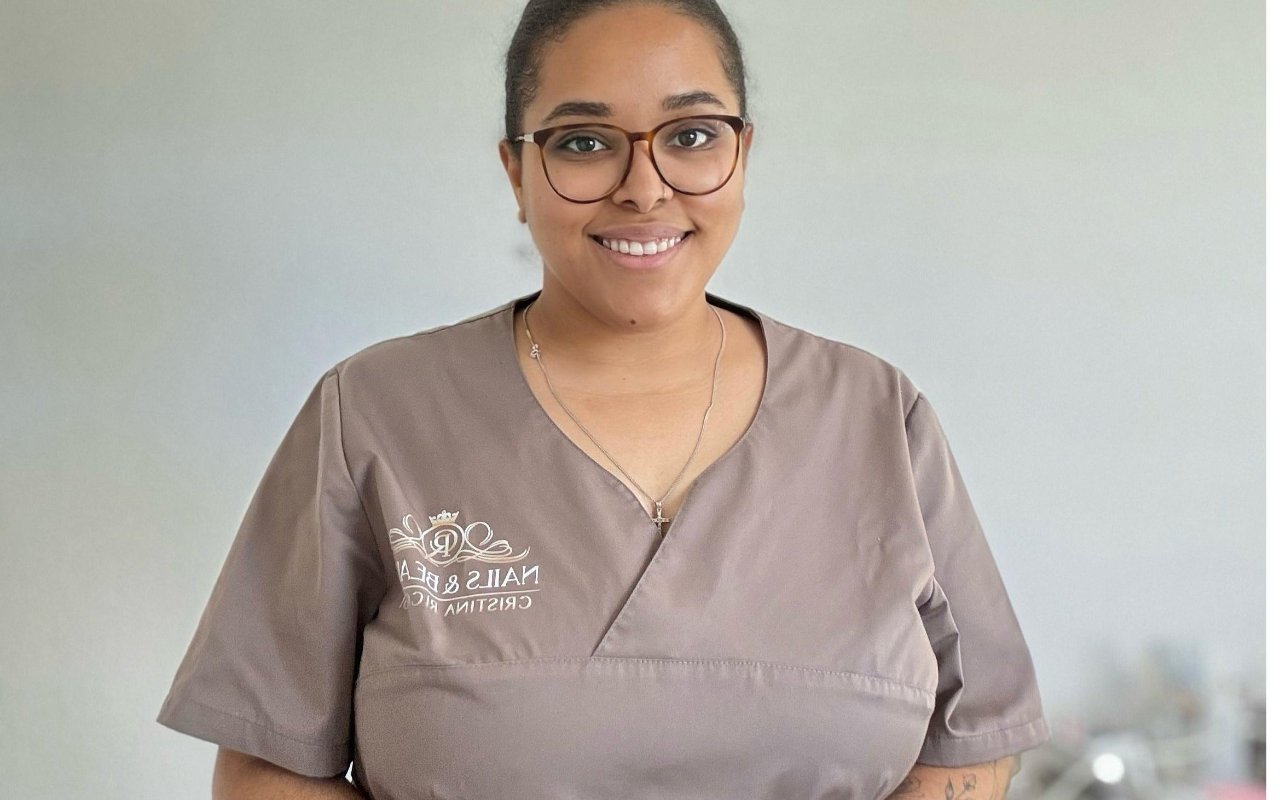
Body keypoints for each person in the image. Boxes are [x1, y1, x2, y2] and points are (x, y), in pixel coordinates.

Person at [156, 1, 1051, 798]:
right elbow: (266, 765)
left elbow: (975, 742)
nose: (644, 187)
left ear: (743, 155)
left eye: (691, 135)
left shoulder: (875, 415)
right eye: (584, 142)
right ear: (517, 173)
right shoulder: (376, 413)